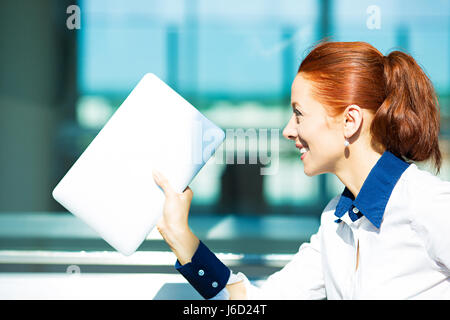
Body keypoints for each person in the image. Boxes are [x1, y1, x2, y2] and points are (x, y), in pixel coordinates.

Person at [152, 41, 450, 300]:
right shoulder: (335, 223)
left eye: (298, 114)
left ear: (350, 121)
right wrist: (181, 236)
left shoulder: (428, 205)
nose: (287, 130)